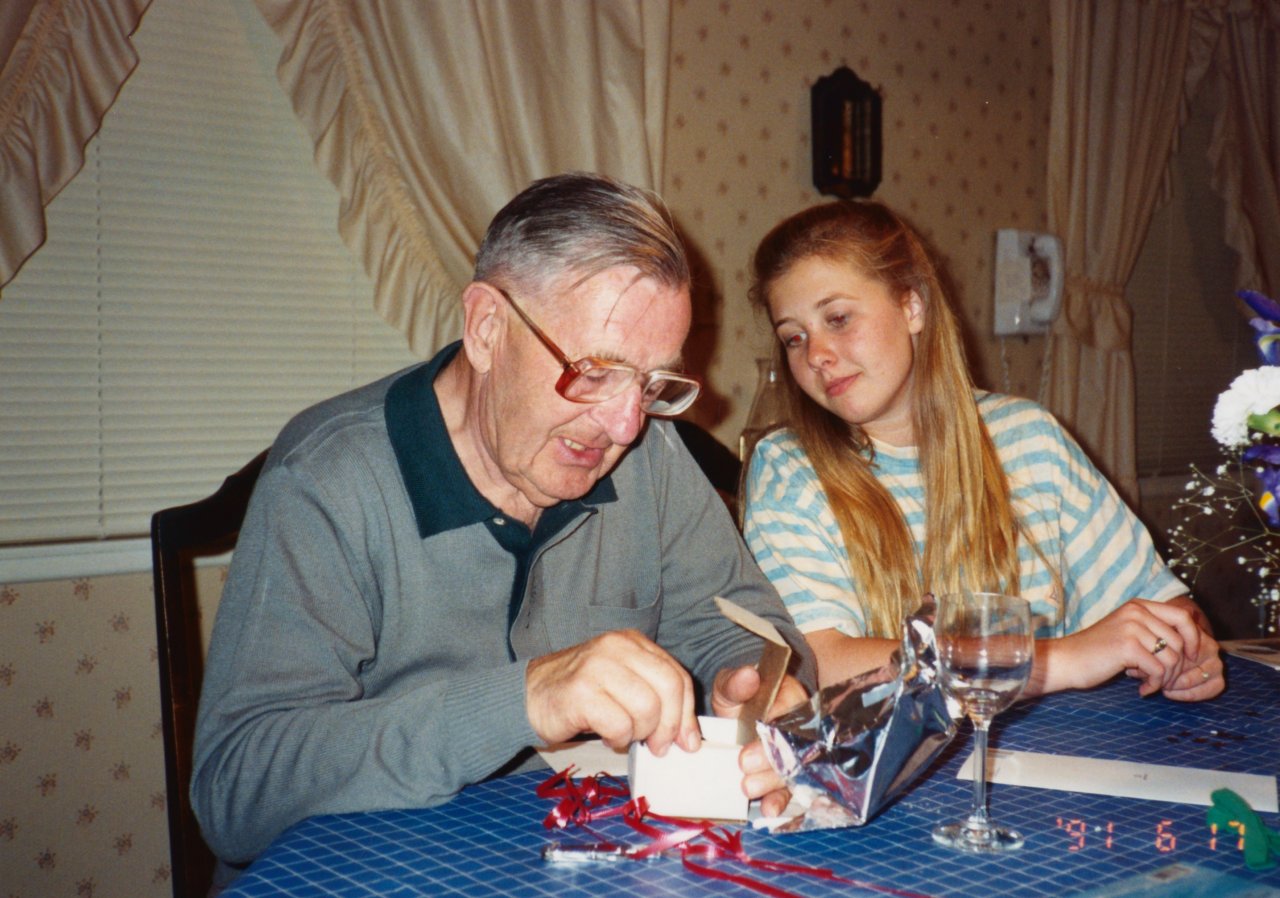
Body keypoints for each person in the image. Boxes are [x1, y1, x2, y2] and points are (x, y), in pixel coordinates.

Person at [192, 173, 815, 881]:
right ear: (486, 328)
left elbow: (745, 626)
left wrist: (754, 684)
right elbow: (235, 790)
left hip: (573, 866)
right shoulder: (329, 480)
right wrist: (525, 699)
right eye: (595, 372)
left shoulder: (651, 455)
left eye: (650, 384)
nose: (624, 424)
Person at [740, 198, 1223, 703]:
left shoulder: (1030, 438)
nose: (816, 355)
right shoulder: (789, 468)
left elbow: (1166, 606)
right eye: (794, 338)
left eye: (837, 318)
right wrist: (1052, 661)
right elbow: (819, 660)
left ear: (912, 306)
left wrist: (1186, 651)